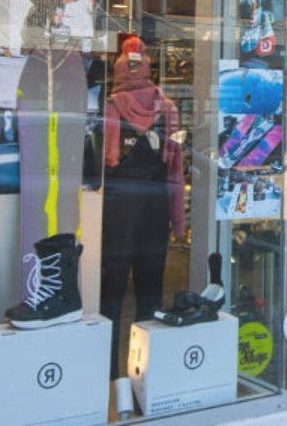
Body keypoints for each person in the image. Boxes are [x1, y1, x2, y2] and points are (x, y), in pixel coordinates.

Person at [99, 36, 184, 376]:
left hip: (118, 208)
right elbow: (176, 171)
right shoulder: (168, 110)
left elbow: (100, 164)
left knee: (111, 291)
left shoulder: (111, 106)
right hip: (155, 206)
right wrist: (178, 222)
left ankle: (106, 373)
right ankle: (147, 373)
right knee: (151, 289)